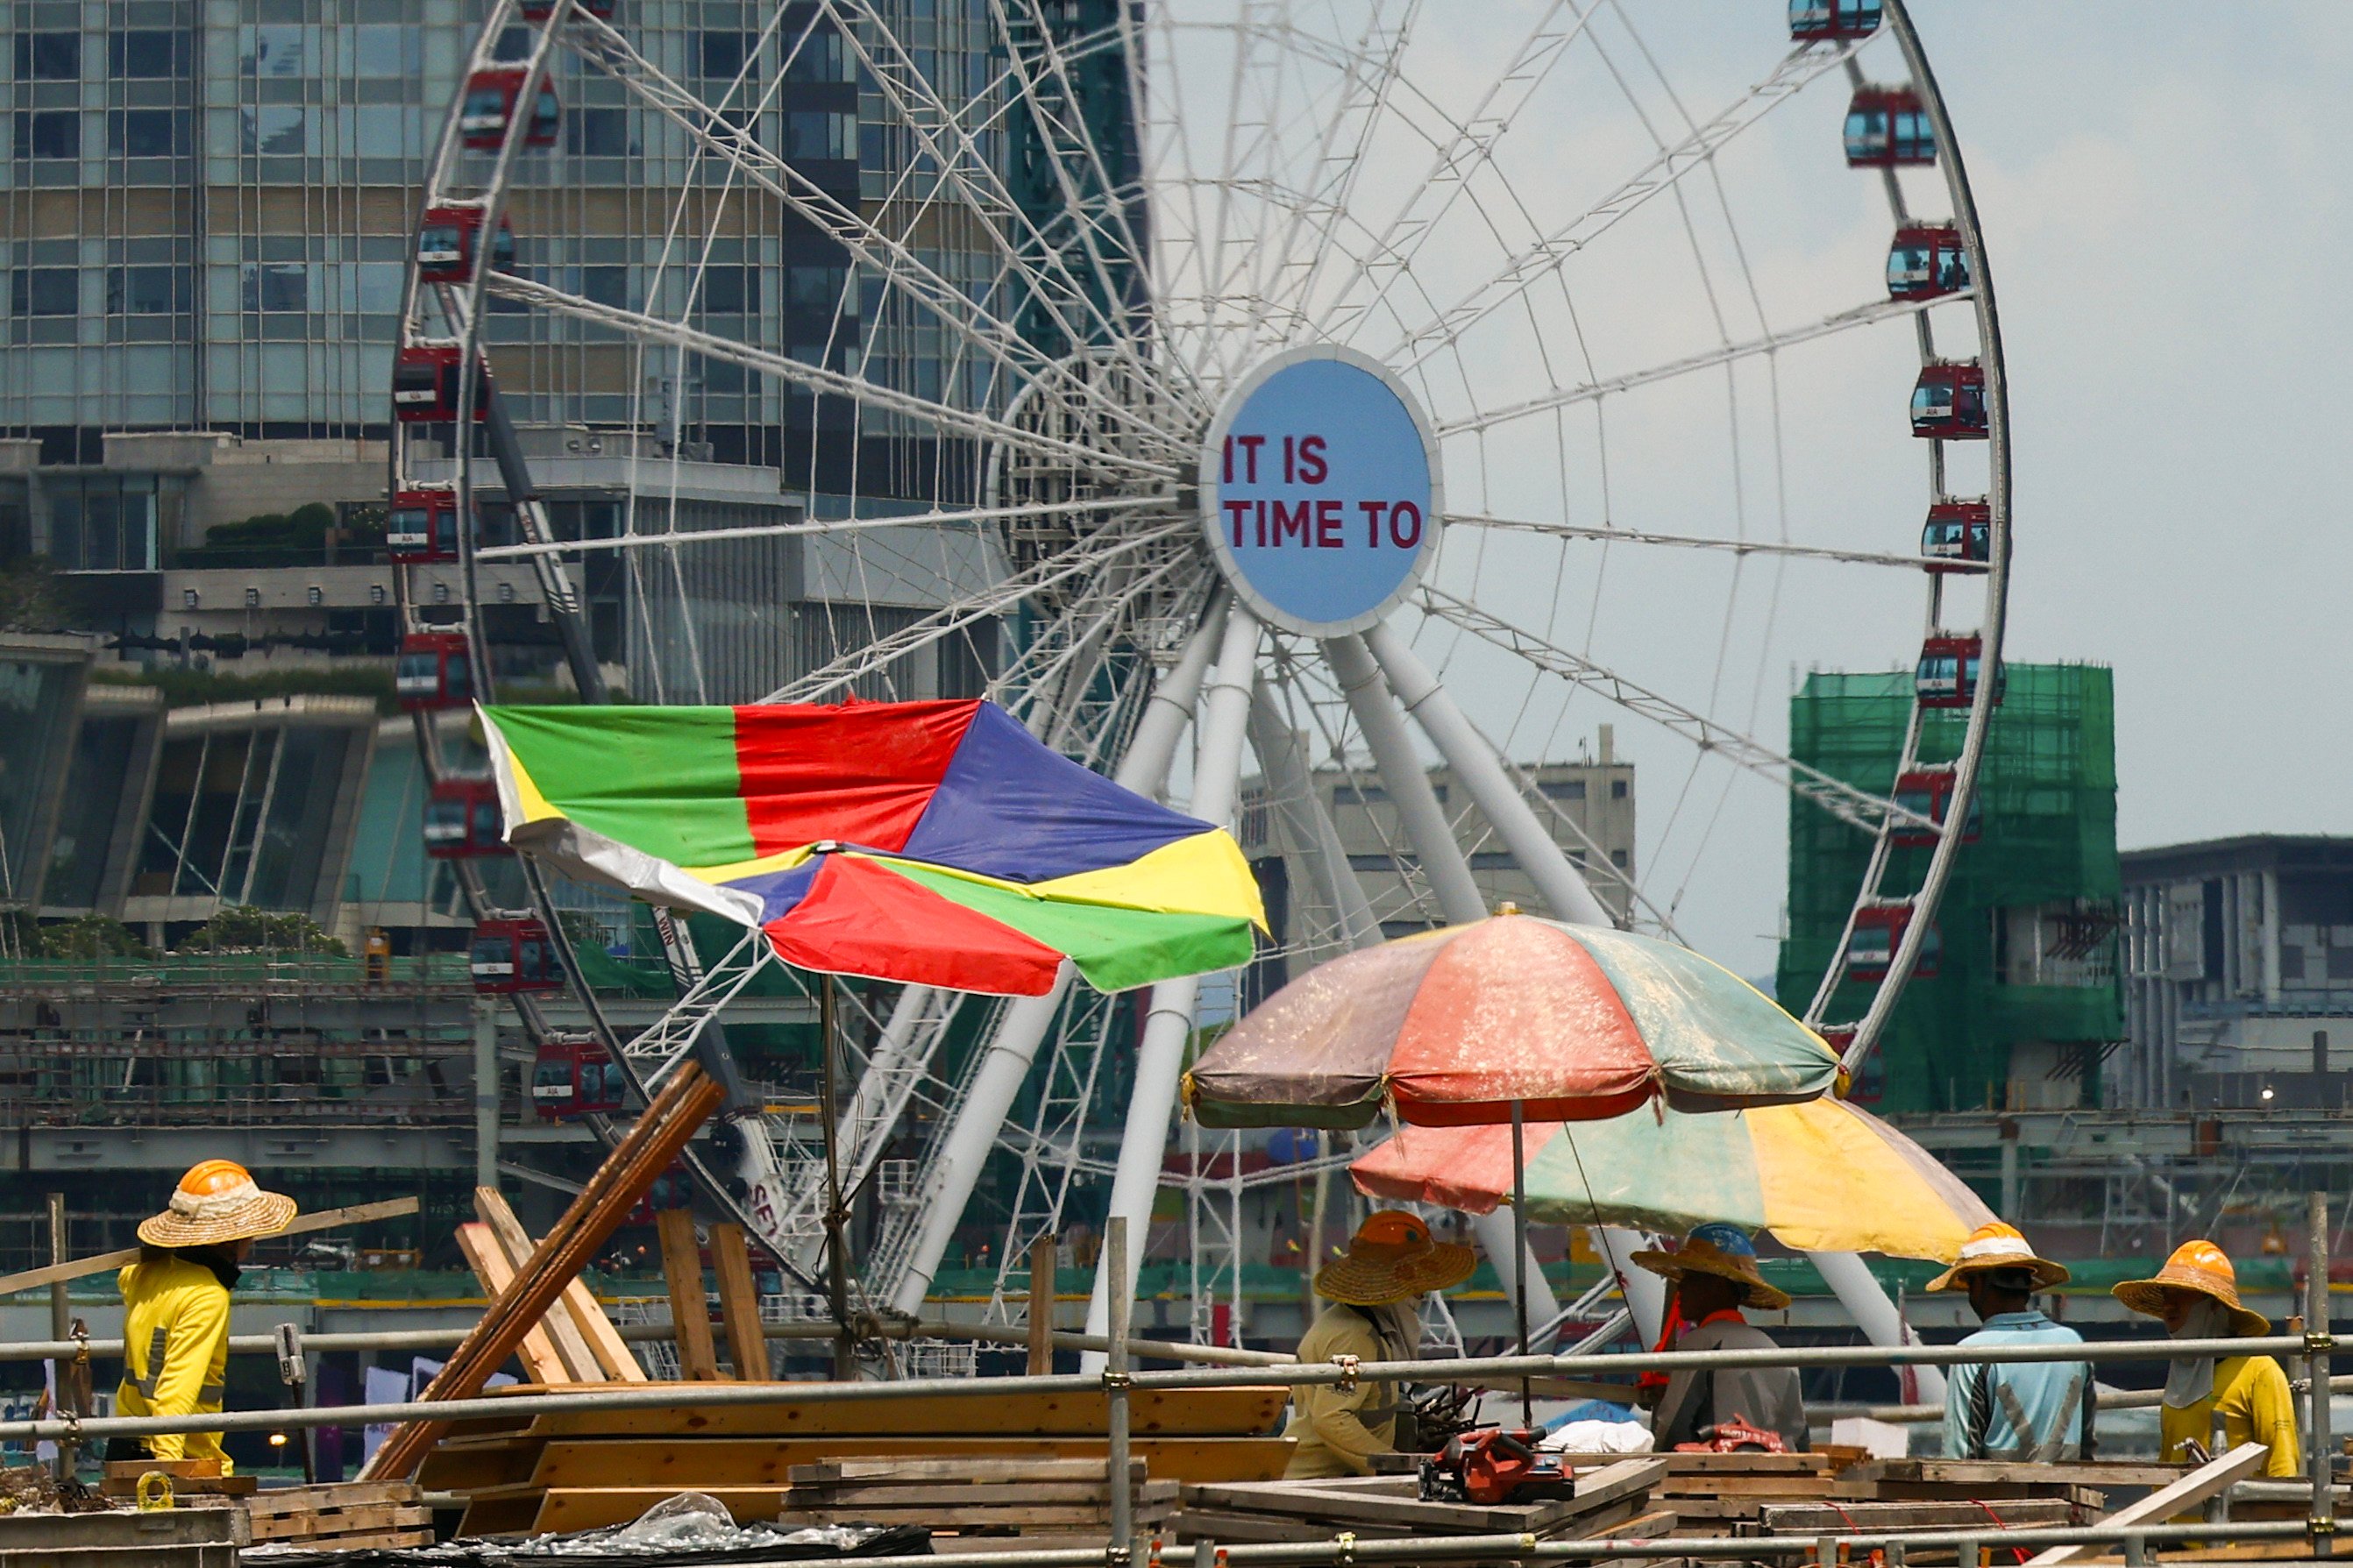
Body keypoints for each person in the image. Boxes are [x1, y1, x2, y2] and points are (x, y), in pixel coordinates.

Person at [111, 1160, 298, 1473]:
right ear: (235, 1238)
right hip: (180, 1454)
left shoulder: (142, 1273)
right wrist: (167, 1472)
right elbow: (176, 1390)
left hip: (124, 1445)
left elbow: (127, 1275)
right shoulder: (207, 1295)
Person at [1283, 1210, 1475, 1479]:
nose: (1422, 1294)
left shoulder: (1363, 1324)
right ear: (1400, 1282)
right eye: (1419, 1283)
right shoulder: (1355, 1337)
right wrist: (1398, 1468)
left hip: (1335, 1480)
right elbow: (1332, 1418)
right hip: (1316, 1482)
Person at [2114, 1239, 2298, 1475]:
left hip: (2233, 1512)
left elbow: (2282, 1465)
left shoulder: (2258, 1371)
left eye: (2183, 1294)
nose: (2170, 1306)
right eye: (2166, 1295)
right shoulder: (2179, 1377)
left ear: (2214, 1305)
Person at [1632, 1224, 1808, 1451]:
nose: (1681, 1287)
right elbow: (1799, 1437)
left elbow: (1673, 1427)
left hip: (1716, 1476)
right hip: (1777, 1475)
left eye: (1690, 1278)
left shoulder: (1699, 1344)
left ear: (1716, 1286)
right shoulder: (1776, 1350)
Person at [1930, 1221, 2094, 1461]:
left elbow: (1959, 1458)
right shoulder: (2072, 1343)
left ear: (1979, 1284)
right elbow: (2087, 1443)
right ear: (2028, 1283)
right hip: (2066, 1493)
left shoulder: (1971, 1353)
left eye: (1968, 1282)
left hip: (1998, 1495)